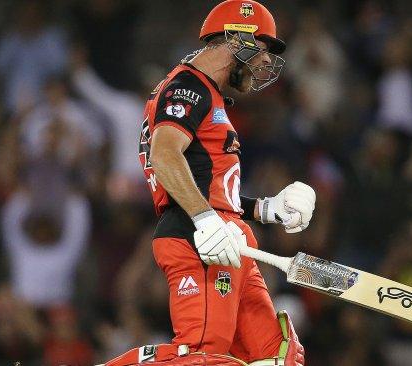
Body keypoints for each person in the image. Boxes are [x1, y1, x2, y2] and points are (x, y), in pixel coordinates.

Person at [102, 1, 313, 365]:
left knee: (278, 357)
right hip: (199, 238)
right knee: (202, 358)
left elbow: (206, 181)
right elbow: (165, 157)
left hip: (226, 236)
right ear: (236, 39)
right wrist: (205, 219)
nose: (266, 64)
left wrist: (265, 208)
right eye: (264, 49)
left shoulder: (206, 94)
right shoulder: (188, 88)